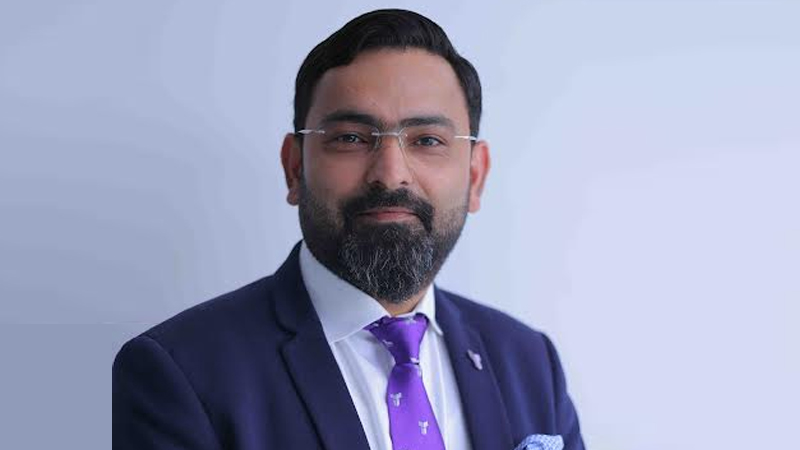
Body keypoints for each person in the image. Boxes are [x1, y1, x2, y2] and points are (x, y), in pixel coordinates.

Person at [112, 8, 585, 450]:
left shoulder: (530, 362)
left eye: (427, 140)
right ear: (295, 168)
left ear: (475, 176)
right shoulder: (181, 372)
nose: (391, 174)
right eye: (351, 138)